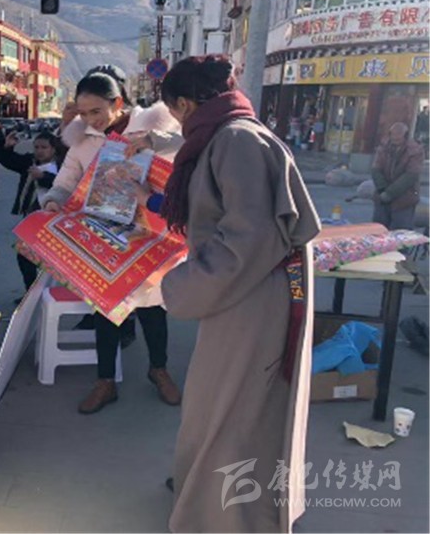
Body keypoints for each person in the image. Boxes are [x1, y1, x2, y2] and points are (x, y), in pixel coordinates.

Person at [157, 55, 320, 532]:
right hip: (244, 289)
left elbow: (247, 239)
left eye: (173, 113)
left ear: (185, 104)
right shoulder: (229, 133)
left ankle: (230, 517)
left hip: (253, 292)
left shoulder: (236, 139)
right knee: (221, 404)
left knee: (234, 409)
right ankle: (208, 498)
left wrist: (177, 285)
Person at [41, 68, 185, 413]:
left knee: (152, 306)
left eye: (97, 111)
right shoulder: (83, 140)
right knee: (107, 306)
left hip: (149, 231)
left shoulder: (152, 127)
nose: (91, 120)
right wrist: (53, 200)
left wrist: (153, 143)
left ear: (117, 103)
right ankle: (105, 381)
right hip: (103, 231)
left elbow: (188, 146)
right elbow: (65, 180)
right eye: (83, 113)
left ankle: (159, 370)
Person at [0, 130, 62, 291]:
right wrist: (8, 147)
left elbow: (65, 186)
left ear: (53, 149)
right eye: (36, 147)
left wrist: (43, 177)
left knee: (52, 260)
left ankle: (51, 292)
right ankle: (31, 292)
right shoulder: (30, 162)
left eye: (44, 147)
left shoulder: (63, 165)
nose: (39, 151)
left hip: (55, 219)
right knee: (24, 256)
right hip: (32, 217)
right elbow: (9, 161)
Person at [371, 121, 424, 230]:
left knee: (401, 232)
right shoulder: (383, 148)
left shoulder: (415, 151)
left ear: (405, 136)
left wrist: (390, 193)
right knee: (378, 230)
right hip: (382, 197)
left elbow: (411, 175)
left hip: (405, 199)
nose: (395, 142)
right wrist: (382, 189)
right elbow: (376, 169)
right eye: (393, 138)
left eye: (398, 139)